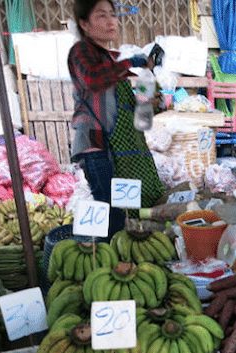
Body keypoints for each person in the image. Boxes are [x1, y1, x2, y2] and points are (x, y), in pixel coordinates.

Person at [68, 0, 164, 236]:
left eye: (113, 14)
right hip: (96, 146)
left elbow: (122, 111)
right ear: (84, 24)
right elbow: (93, 79)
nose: (111, 20)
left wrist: (147, 104)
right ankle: (103, 261)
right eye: (101, 15)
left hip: (117, 148)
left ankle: (120, 258)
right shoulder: (80, 52)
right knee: (110, 211)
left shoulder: (108, 60)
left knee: (121, 213)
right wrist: (131, 62)